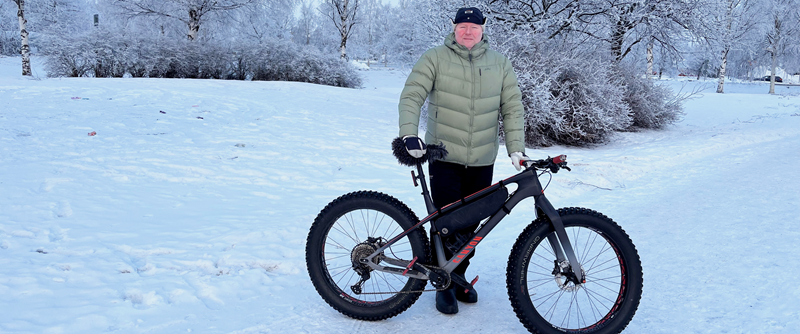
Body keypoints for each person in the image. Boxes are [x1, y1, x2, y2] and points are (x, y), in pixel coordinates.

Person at [397, 6, 526, 315]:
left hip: (482, 157)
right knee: (445, 222)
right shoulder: (435, 58)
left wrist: (516, 147)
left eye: (474, 26)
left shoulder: (500, 64)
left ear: (483, 29)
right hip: (444, 154)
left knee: (470, 222)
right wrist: (408, 134)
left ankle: (459, 275)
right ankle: (442, 285)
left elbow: (512, 106)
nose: (468, 31)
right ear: (453, 28)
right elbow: (412, 94)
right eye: (462, 26)